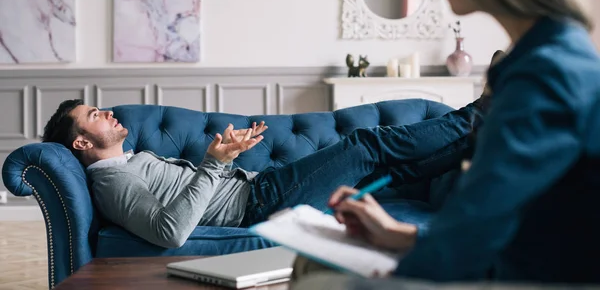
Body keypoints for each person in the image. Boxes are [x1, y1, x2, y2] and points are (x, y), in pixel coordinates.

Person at [300, 0, 600, 285]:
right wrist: (395, 234)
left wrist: (396, 262)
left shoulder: (543, 75)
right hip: (514, 267)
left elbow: (464, 247)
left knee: (316, 278)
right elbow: (492, 230)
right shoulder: (557, 54)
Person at [41, 80, 495, 249]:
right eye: (95, 116)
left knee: (391, 173)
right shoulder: (111, 180)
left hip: (263, 186)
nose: (108, 113)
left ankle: (483, 131)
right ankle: (480, 110)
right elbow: (168, 232)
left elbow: (192, 192)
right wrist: (214, 164)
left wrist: (223, 158)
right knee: (364, 146)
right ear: (81, 140)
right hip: (261, 203)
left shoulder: (130, 159)